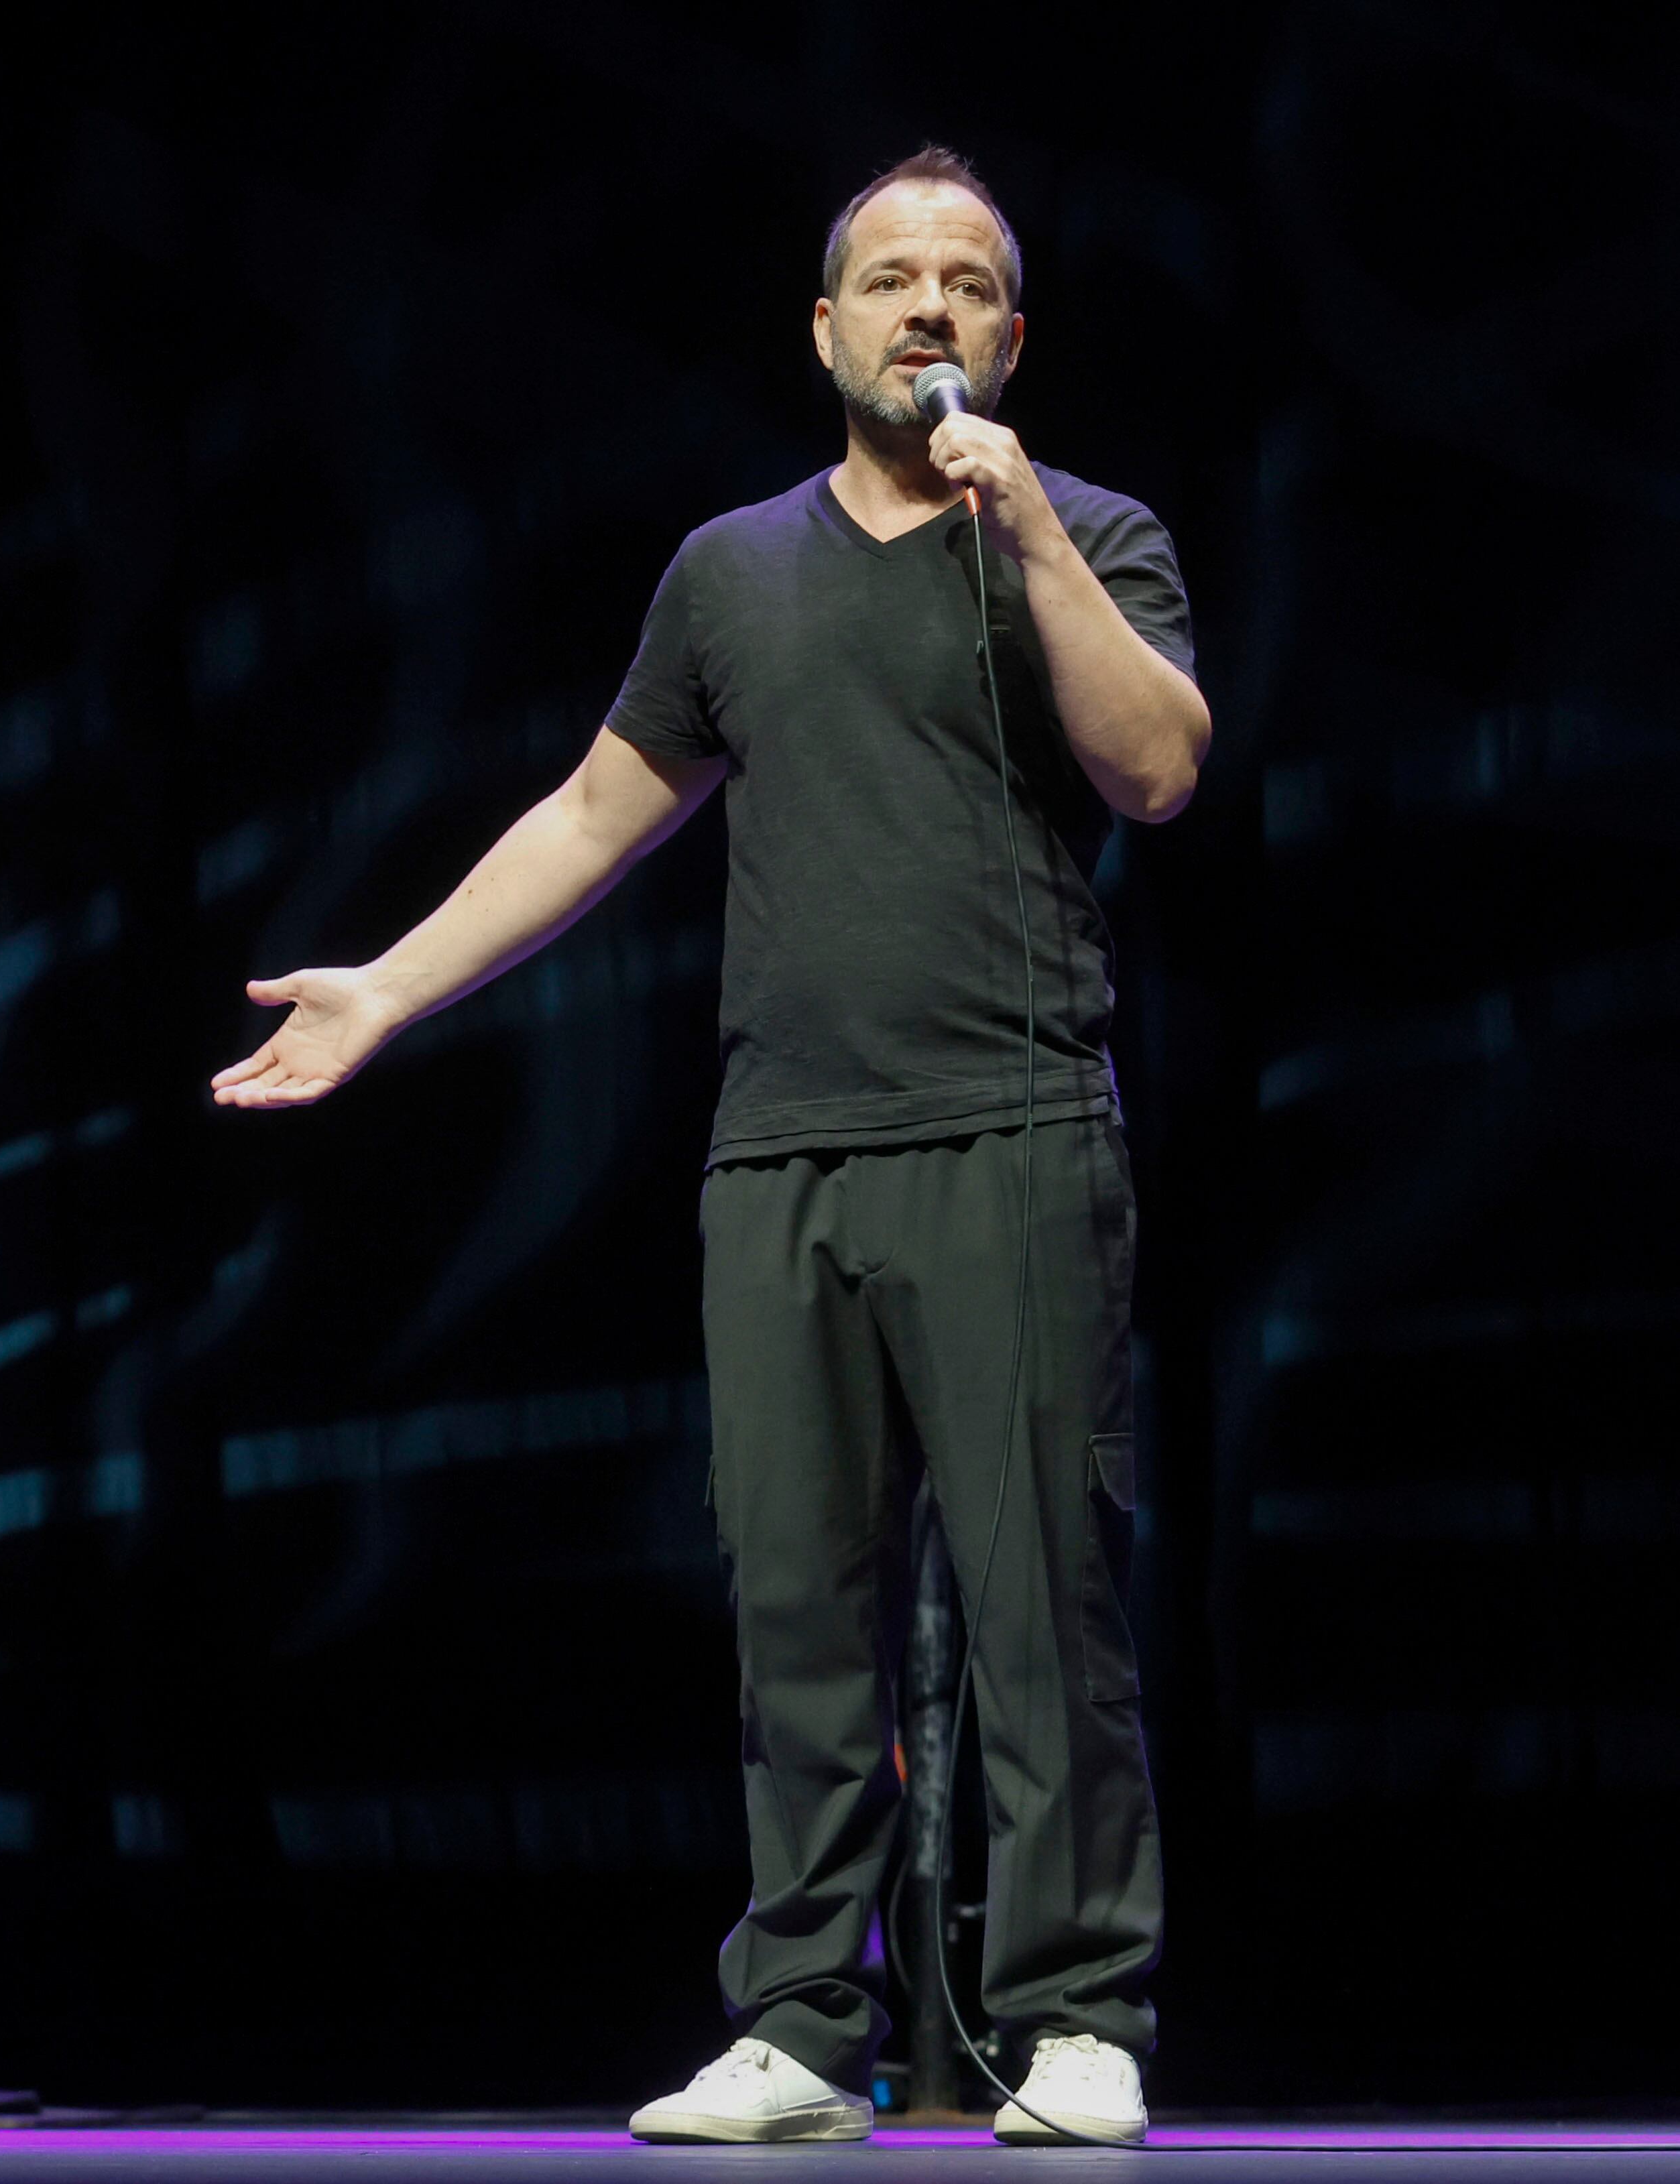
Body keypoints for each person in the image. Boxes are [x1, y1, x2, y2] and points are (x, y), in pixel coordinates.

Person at [211, 145, 1203, 2147]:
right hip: (785, 1151)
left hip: (1009, 1126)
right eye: (891, 279)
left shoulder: (1090, 528)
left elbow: (1159, 764)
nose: (928, 307)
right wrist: (390, 990)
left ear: (1013, 336)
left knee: (1042, 1595)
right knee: (796, 1605)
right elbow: (591, 814)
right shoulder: (729, 573)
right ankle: (801, 2025)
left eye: (968, 283)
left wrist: (1028, 539)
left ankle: (1080, 2007)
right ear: (826, 328)